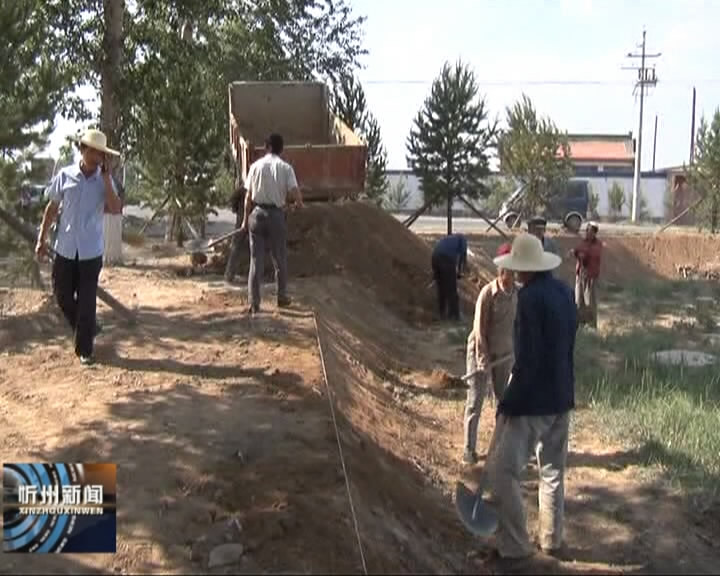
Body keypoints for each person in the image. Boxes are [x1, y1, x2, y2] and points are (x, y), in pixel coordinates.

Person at [490, 233, 577, 568]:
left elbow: (528, 358)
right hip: (562, 394)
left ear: (525, 269)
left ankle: (515, 548)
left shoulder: (528, 299)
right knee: (553, 470)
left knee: (502, 472)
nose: (516, 274)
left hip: (535, 400)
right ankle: (552, 541)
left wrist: (510, 400)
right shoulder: (564, 292)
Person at [35, 129, 123, 366]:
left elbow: (115, 209)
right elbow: (51, 209)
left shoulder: (106, 182)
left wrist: (106, 180)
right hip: (64, 249)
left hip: (90, 252)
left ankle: (85, 349)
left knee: (87, 301)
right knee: (62, 296)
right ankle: (89, 327)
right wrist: (41, 239)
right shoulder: (65, 175)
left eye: (101, 153)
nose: (98, 157)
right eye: (94, 151)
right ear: (83, 150)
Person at [462, 242, 516, 465]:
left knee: (504, 403)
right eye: (506, 269)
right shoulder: (488, 294)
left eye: (513, 269)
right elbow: (479, 330)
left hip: (504, 355)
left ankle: (499, 449)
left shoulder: (518, 295)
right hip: (480, 353)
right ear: (500, 270)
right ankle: (469, 449)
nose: (510, 274)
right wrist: (482, 360)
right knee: (475, 401)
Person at [239, 133, 304, 314]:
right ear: (281, 149)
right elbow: (296, 193)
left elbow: (247, 198)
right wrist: (298, 205)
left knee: (255, 260)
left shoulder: (255, 167)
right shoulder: (286, 168)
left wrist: (245, 221)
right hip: (276, 216)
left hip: (257, 215)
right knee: (280, 259)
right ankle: (282, 297)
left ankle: (254, 302)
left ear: (267, 147)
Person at [569, 221, 602, 329]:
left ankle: (592, 325)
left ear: (594, 233)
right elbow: (577, 250)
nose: (587, 232)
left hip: (591, 278)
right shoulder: (583, 242)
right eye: (586, 230)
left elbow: (592, 254)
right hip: (580, 276)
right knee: (579, 301)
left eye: (589, 231)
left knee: (591, 303)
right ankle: (581, 324)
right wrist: (573, 252)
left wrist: (581, 254)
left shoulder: (598, 244)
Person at [431, 233, 468, 321]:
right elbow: (463, 258)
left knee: (441, 288)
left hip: (434, 257)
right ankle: (454, 316)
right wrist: (459, 272)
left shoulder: (449, 239)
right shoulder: (463, 240)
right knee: (452, 289)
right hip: (445, 259)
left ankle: (441, 313)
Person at [224, 179, 247, 284]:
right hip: (244, 220)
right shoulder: (243, 190)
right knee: (236, 247)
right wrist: (236, 210)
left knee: (236, 247)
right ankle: (229, 275)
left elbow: (232, 200)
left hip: (248, 220)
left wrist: (236, 210)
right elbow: (232, 199)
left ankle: (229, 275)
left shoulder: (244, 189)